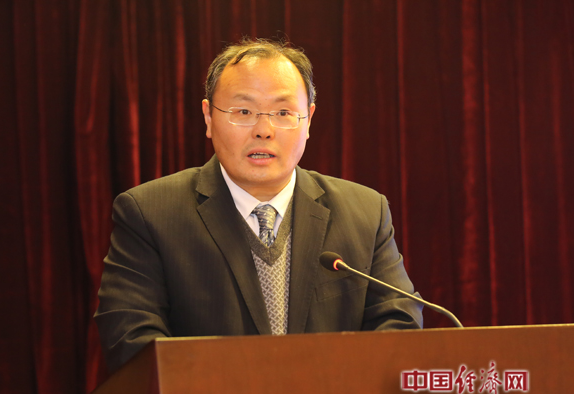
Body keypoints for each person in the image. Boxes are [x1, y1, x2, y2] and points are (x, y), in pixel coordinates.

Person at [95, 38, 423, 372]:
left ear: (308, 120)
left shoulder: (365, 212)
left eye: (283, 113)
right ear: (208, 116)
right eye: (244, 112)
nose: (264, 130)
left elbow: (400, 322)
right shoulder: (149, 214)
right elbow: (132, 340)